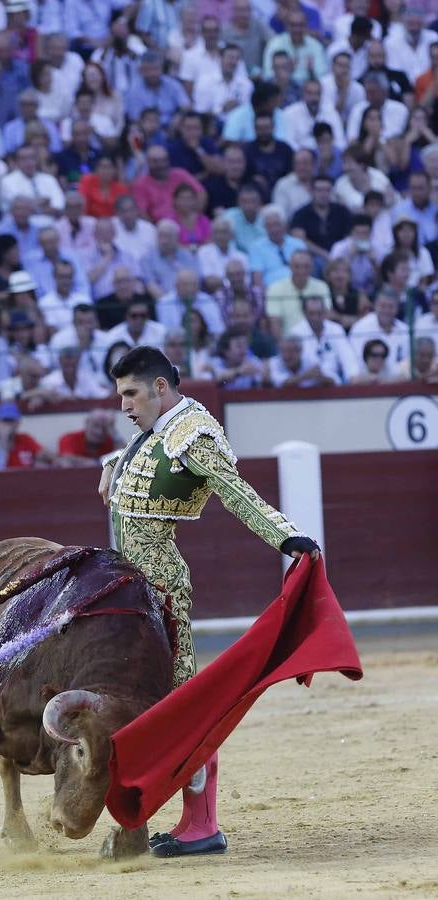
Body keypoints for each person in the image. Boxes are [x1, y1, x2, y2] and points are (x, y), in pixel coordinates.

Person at [98, 346, 319, 858]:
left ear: (159, 387)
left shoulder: (195, 435)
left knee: (181, 702)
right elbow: (144, 447)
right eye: (120, 396)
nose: (124, 406)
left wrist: (287, 538)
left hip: (161, 585)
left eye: (131, 393)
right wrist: (112, 462)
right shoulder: (162, 424)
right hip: (130, 580)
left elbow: (236, 492)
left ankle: (202, 825)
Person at [0, 401, 51, 468]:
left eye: (11, 421)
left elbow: (45, 455)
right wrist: (3, 438)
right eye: (5, 420)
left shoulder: (25, 439)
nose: (8, 425)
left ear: (18, 423)